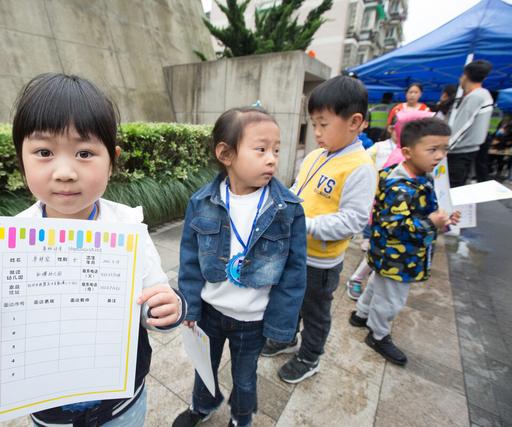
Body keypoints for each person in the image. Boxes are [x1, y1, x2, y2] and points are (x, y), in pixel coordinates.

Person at [0, 73, 187, 426]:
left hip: (123, 404)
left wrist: (166, 308)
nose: (65, 172)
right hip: (49, 413)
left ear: (111, 160)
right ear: (21, 159)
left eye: (85, 152)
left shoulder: (128, 229)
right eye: (44, 152)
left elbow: (155, 303)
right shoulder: (11, 243)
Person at [173, 107, 307, 427]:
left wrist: (281, 326)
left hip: (254, 319)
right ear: (226, 153)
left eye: (276, 150)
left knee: (245, 376)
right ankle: (202, 405)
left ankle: (241, 416)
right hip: (209, 312)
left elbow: (294, 273)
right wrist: (189, 308)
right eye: (261, 150)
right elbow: (189, 259)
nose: (272, 158)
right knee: (204, 365)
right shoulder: (202, 202)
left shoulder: (287, 209)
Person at [260, 76, 377, 384]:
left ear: (354, 122)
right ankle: (287, 339)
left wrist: (303, 223)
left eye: (323, 124)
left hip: (321, 263)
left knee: (314, 311)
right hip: (297, 251)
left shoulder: (360, 167)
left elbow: (353, 219)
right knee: (289, 300)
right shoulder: (315, 155)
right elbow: (299, 190)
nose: (317, 132)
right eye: (313, 124)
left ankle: (310, 356)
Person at [349, 118, 461, 365]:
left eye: (445, 149)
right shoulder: (401, 187)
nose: (440, 156)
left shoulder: (420, 177)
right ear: (408, 152)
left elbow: (424, 212)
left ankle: (360, 314)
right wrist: (432, 222)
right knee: (390, 300)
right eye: (433, 150)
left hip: (388, 255)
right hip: (398, 256)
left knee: (377, 283)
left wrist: (442, 217)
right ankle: (378, 335)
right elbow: (397, 227)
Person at [345, 110, 434, 300]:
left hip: (392, 225)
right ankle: (357, 281)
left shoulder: (419, 166)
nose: (438, 155)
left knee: (377, 256)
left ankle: (359, 286)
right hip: (384, 216)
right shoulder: (389, 153)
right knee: (378, 253)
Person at [447, 60, 494, 187]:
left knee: (453, 187)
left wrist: (445, 148)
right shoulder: (484, 95)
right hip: (469, 150)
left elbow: (462, 126)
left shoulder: (475, 97)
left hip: (459, 152)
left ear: (465, 76)